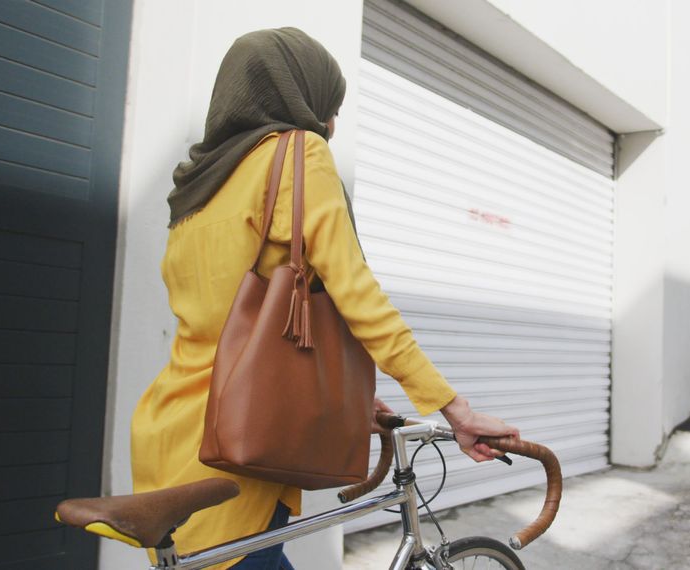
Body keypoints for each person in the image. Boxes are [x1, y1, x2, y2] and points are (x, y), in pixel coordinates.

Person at [130, 28, 519, 570]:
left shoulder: (195, 184)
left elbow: (219, 323)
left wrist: (353, 397)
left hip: (169, 432)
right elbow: (357, 295)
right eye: (329, 107)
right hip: (242, 437)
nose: (331, 125)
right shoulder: (295, 154)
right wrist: (455, 408)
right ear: (296, 98)